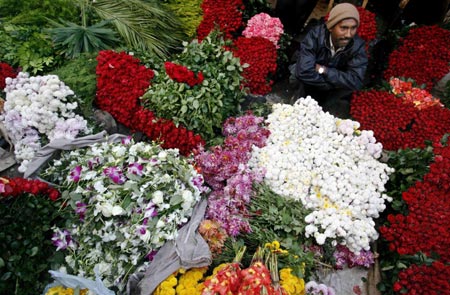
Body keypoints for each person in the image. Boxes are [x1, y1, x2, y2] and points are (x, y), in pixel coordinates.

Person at [294, 2, 368, 118]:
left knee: (341, 99)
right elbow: (304, 71)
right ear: (331, 27)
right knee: (297, 77)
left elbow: (355, 81)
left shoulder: (357, 46)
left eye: (353, 28)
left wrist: (325, 71)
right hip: (314, 83)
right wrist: (332, 84)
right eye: (343, 28)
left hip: (327, 84)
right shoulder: (316, 36)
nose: (349, 34)